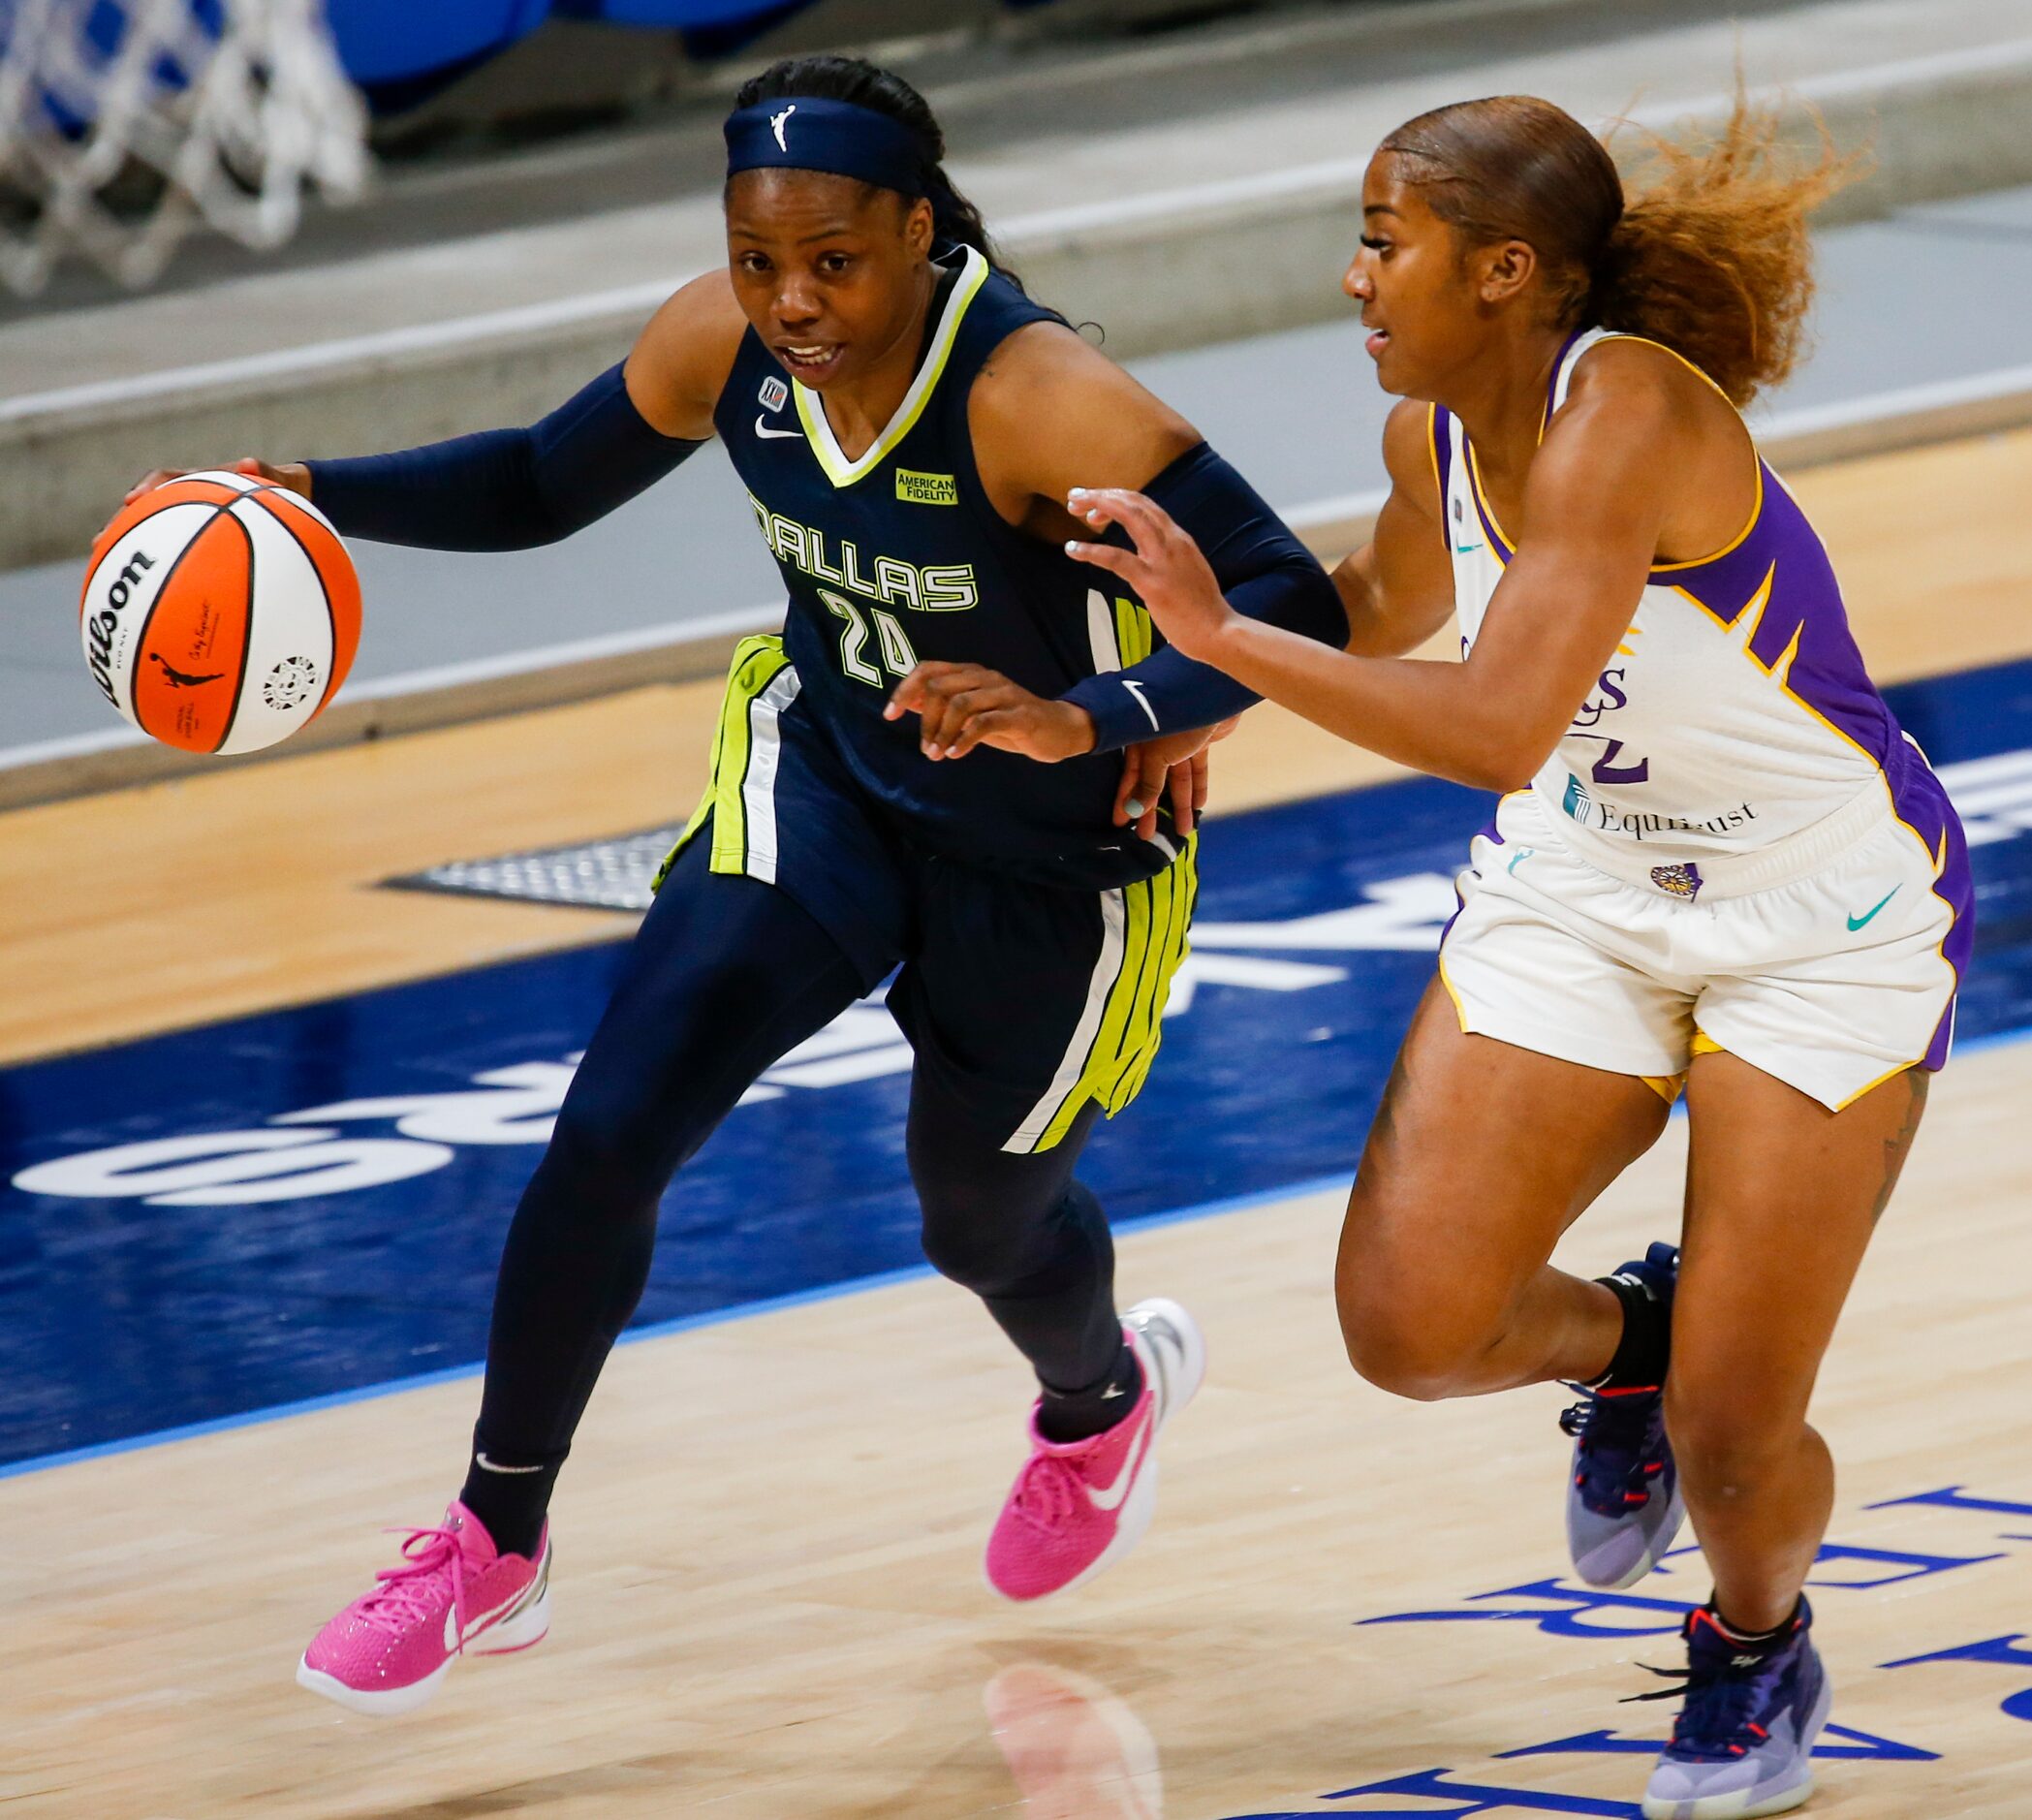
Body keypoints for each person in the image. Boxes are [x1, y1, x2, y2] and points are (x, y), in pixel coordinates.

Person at [130, 55, 1345, 1715]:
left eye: (833, 261)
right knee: (617, 1117)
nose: (790, 301)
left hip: (1053, 855)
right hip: (827, 781)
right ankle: (495, 1542)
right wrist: (314, 492)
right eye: (758, 257)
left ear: (919, 231)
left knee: (975, 1221)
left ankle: (1098, 1401)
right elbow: (545, 484)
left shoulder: (1036, 393)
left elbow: (1291, 595)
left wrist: (1102, 712)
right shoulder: (725, 339)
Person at [1050, 95, 1971, 1820]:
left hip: (1821, 917)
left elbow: (1486, 722)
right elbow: (1378, 614)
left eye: (1384, 239)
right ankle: (1629, 1335)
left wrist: (1217, 631)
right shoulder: (1434, 438)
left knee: (1734, 1432)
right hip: (1588, 877)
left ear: (1505, 270)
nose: (1351, 275)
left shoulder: (1621, 413)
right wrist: (1190, 703)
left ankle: (1756, 1635)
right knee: (1410, 1324)